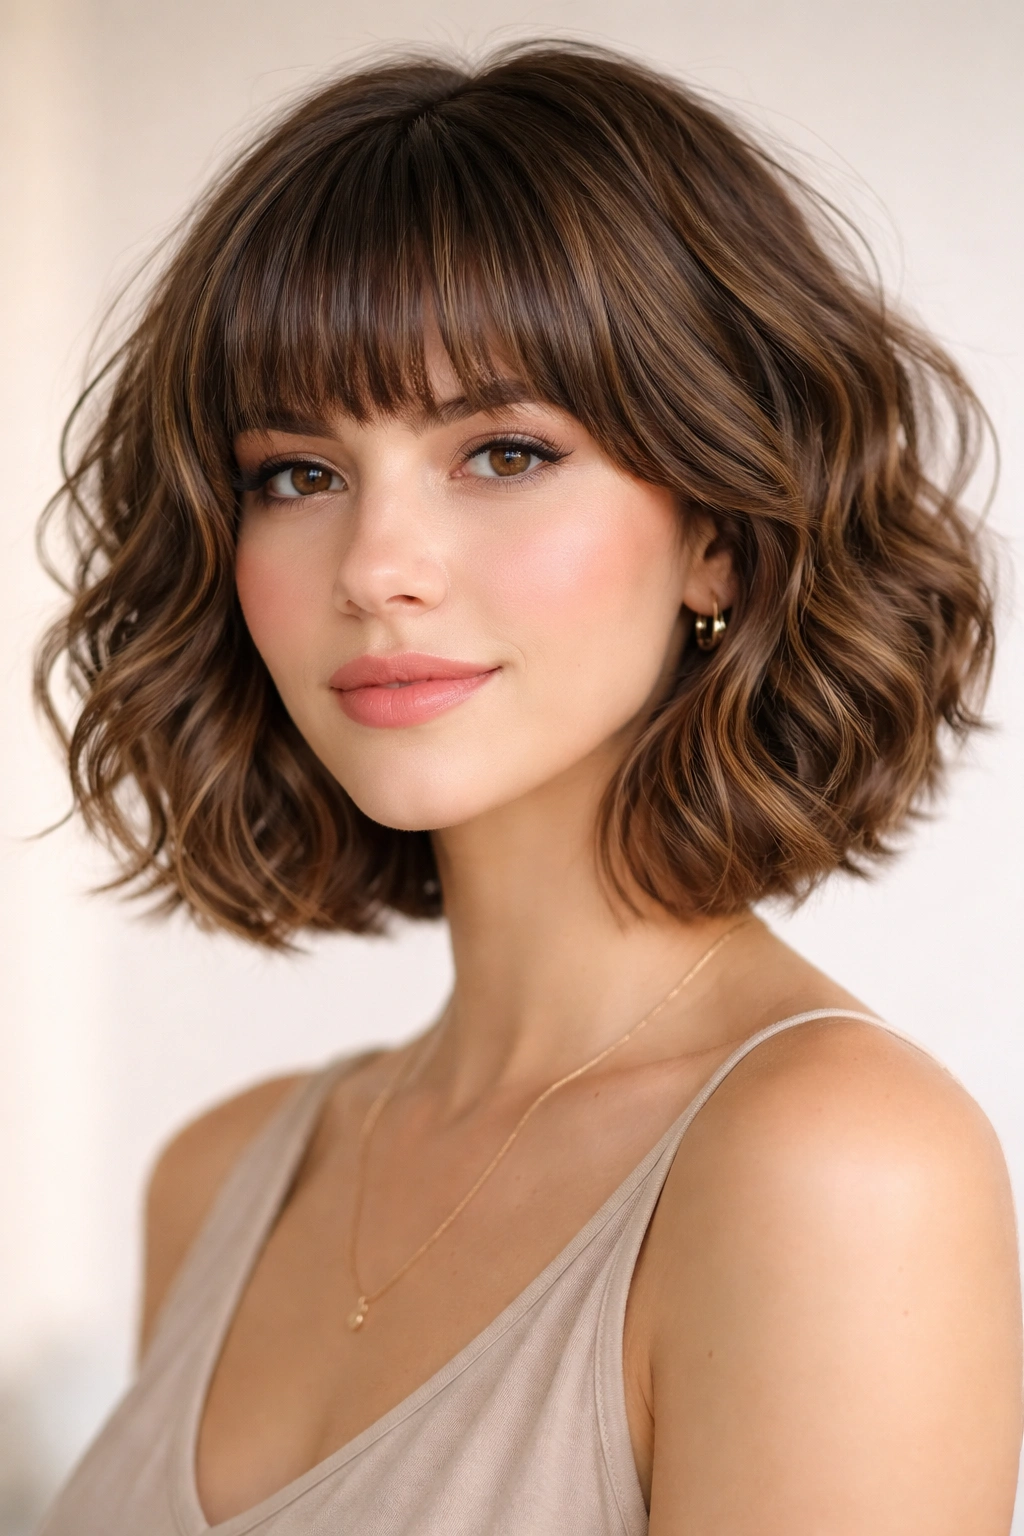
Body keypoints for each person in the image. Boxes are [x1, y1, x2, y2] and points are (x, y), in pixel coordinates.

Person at [35, 41, 1021, 1536]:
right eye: (296, 472)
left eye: (503, 451)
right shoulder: (223, 1176)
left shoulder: (831, 1172)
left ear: (722, 532)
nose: (377, 567)